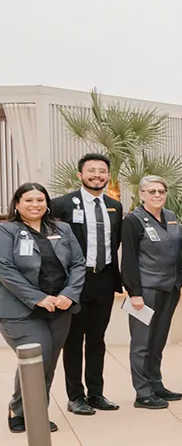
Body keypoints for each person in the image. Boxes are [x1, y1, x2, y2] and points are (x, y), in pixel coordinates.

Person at [0, 183, 85, 434]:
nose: (35, 204)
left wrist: (69, 294)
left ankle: (30, 409)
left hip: (59, 307)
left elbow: (79, 264)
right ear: (17, 204)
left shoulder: (62, 228)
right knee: (38, 358)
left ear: (47, 203)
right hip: (21, 310)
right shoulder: (7, 231)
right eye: (28, 200)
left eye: (40, 199)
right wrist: (38, 298)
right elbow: (4, 268)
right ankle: (25, 409)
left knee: (48, 363)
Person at [48, 154, 122, 416]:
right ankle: (75, 396)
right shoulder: (61, 205)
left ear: (108, 176)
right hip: (74, 282)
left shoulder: (115, 206)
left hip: (104, 278)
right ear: (80, 175)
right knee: (73, 340)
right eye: (91, 171)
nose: (97, 175)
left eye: (102, 171)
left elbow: (115, 243)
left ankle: (96, 393)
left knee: (97, 339)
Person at [121, 176, 182, 409]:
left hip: (170, 287)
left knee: (158, 340)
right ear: (141, 195)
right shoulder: (133, 221)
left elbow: (177, 251)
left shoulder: (170, 217)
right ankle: (142, 392)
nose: (157, 195)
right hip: (145, 291)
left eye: (161, 191)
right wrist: (134, 292)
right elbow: (128, 259)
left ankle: (155, 383)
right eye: (151, 191)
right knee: (141, 343)